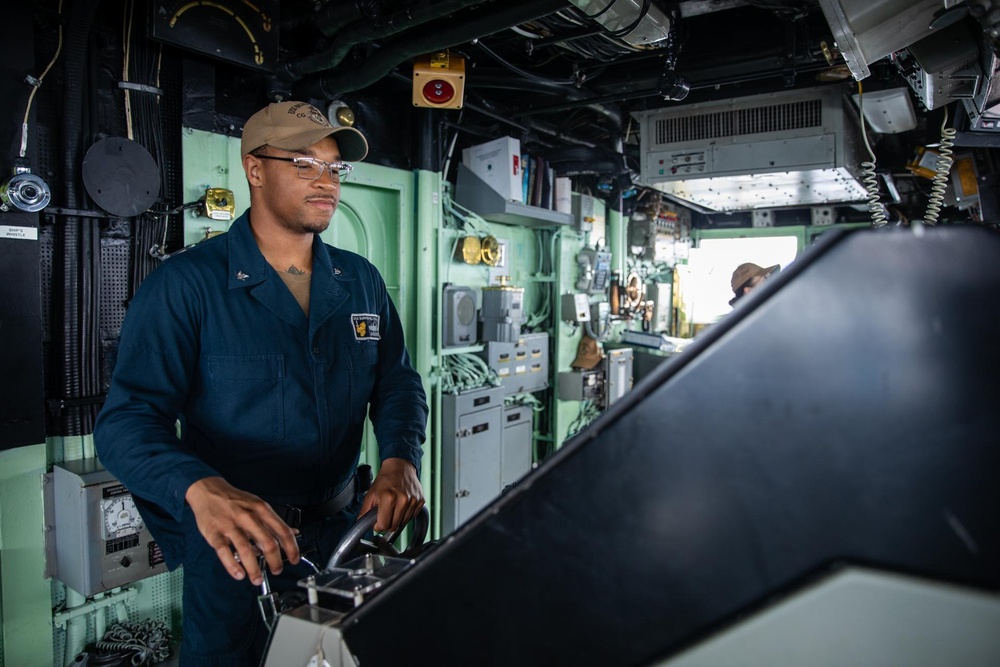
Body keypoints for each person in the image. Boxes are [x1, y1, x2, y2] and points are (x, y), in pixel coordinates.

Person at [94, 101, 428, 665]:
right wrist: (200, 488)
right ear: (254, 168)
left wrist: (400, 458)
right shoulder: (187, 286)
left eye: (334, 168)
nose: (326, 181)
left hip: (344, 535)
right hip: (238, 554)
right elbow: (128, 421)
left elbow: (396, 381)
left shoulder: (361, 280)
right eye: (304, 163)